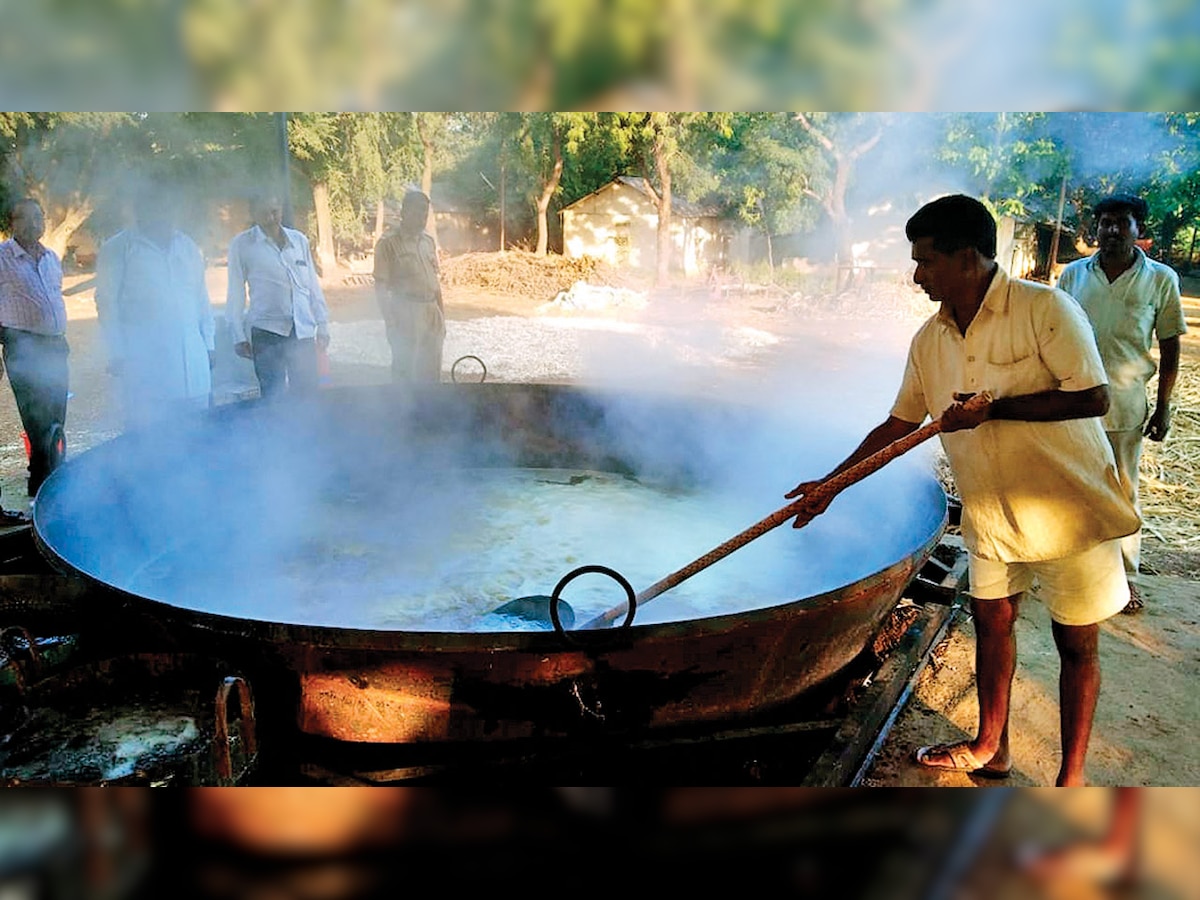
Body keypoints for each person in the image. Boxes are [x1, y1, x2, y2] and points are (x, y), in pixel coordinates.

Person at [786, 195, 1140, 787]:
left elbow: (1094, 397)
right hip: (991, 514)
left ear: (968, 256)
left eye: (926, 261)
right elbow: (899, 423)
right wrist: (832, 484)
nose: (917, 275)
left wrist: (994, 409)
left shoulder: (1045, 309)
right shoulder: (931, 339)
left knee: (1076, 645)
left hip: (1069, 510)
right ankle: (991, 749)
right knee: (990, 625)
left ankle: (1071, 781)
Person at [1057, 194, 1188, 613]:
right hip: (1072, 404)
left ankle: (1125, 579)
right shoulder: (1073, 275)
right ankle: (1071, 571)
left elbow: (1170, 348)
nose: (1111, 230)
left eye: (1122, 223)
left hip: (1127, 405)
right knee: (1073, 489)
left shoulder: (1161, 279)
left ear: (1139, 231)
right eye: (1105, 223)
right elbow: (1053, 337)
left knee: (1123, 493)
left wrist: (1164, 405)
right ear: (1094, 230)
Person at [94, 184, 216, 429]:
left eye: (169, 206)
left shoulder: (188, 246)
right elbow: (107, 305)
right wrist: (117, 353)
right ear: (140, 210)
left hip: (193, 365)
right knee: (152, 440)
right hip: (145, 366)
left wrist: (209, 344)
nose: (164, 213)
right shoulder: (118, 248)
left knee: (198, 437)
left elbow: (201, 300)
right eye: (156, 206)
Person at [0, 198, 70, 515]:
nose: (33, 224)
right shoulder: (2, 258)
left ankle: (56, 490)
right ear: (10, 223)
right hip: (24, 348)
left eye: (38, 217)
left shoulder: (51, 257)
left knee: (57, 424)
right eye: (24, 218)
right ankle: (39, 498)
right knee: (39, 425)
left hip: (55, 347)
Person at [225, 194, 330, 399]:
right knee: (273, 396)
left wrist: (323, 325)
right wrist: (237, 335)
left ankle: (307, 431)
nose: (271, 218)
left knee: (307, 394)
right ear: (253, 214)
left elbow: (312, 287)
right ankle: (275, 431)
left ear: (281, 209)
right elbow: (235, 292)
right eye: (264, 213)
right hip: (266, 332)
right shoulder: (242, 245)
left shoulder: (299, 240)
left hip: (302, 331)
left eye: (275, 211)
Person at [372, 190, 444, 382]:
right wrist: (390, 323)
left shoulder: (428, 241)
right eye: (417, 213)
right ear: (404, 212)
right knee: (407, 371)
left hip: (431, 310)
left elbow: (435, 283)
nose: (421, 218)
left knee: (431, 370)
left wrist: (441, 316)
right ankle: (404, 411)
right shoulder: (388, 243)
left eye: (424, 214)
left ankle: (429, 410)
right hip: (406, 312)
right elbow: (380, 287)